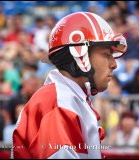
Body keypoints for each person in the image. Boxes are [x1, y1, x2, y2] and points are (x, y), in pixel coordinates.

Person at [12, 12, 127, 159]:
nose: (114, 64)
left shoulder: (65, 98)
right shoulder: (60, 102)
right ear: (79, 55)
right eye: (106, 55)